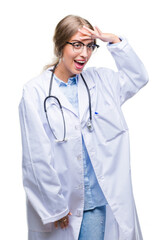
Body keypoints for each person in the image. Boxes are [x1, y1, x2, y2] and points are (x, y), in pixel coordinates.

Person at [19, 15, 148, 240]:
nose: (84, 54)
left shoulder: (103, 82)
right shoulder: (35, 92)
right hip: (63, 208)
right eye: (77, 45)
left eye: (90, 46)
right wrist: (54, 206)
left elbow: (138, 77)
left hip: (97, 204)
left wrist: (115, 41)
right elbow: (35, 157)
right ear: (60, 46)